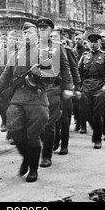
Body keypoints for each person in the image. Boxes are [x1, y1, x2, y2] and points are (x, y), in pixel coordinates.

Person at [0, 22, 50, 183]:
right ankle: (27, 157)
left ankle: (33, 169)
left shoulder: (44, 53)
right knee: (15, 131)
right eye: (24, 33)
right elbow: (5, 76)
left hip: (37, 100)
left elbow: (54, 78)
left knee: (32, 137)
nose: (26, 35)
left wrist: (41, 74)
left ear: (37, 34)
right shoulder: (15, 54)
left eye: (30, 32)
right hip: (18, 99)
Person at [36, 18, 73, 168]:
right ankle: (46, 146)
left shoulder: (58, 47)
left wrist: (68, 87)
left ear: (51, 31)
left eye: (45, 28)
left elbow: (66, 69)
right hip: (36, 91)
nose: (42, 30)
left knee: (49, 123)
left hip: (53, 89)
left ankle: (46, 156)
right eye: (40, 28)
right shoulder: (32, 47)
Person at [78, 32, 105, 149]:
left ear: (100, 43)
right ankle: (100, 130)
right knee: (86, 112)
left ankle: (97, 139)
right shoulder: (85, 56)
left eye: (95, 42)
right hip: (86, 87)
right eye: (91, 42)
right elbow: (79, 72)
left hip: (99, 87)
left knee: (97, 115)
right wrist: (78, 86)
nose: (93, 44)